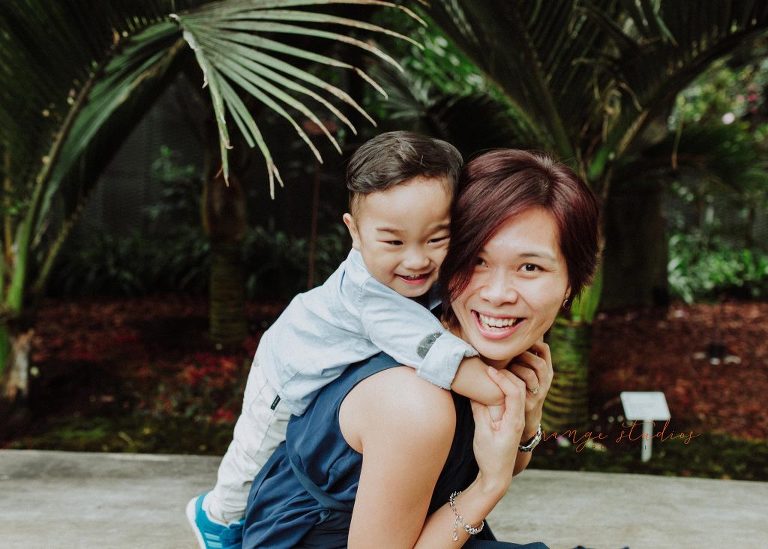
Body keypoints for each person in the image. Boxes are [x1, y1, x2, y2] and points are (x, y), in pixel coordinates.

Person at [242, 149, 601, 548]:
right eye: (477, 260)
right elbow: (484, 471)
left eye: (530, 267)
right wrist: (488, 487)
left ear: (571, 283)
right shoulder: (414, 399)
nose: (498, 294)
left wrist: (527, 420)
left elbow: (485, 452)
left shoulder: (489, 346)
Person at [188, 132, 511, 548]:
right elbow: (438, 354)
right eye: (393, 241)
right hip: (288, 365)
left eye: (436, 239)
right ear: (355, 232)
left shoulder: (419, 274)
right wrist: (503, 390)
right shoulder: (369, 295)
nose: (416, 259)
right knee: (251, 456)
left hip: (344, 370)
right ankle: (215, 519)